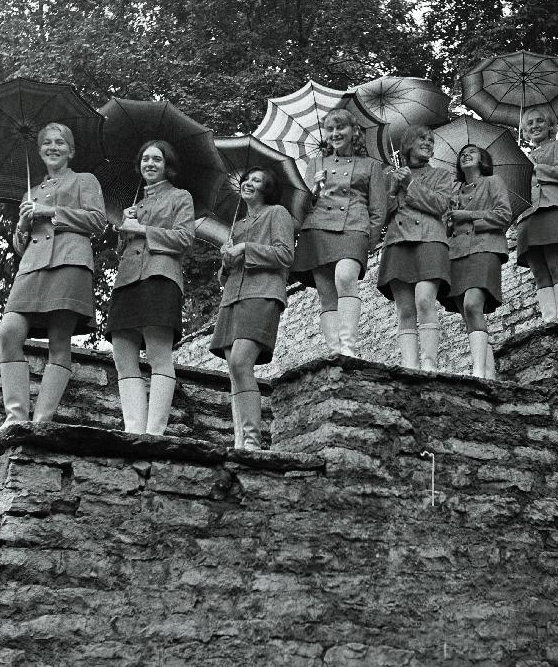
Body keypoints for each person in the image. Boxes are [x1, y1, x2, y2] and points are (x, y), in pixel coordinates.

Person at [0, 122, 107, 428]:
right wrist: (21, 226)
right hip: (31, 268)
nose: (53, 147)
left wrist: (49, 212)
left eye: (60, 142)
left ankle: (42, 420)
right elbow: (22, 246)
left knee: (60, 341)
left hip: (70, 262)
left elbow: (98, 221)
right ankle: (15, 418)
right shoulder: (30, 192)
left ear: (70, 151)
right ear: (40, 149)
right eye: (47, 142)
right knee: (9, 331)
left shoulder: (85, 180)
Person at [104, 140, 195, 435]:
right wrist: (125, 226)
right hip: (127, 279)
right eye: (145, 159)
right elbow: (124, 249)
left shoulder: (181, 197)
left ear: (168, 165)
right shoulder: (135, 204)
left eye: (156, 159)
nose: (150, 164)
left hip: (160, 277)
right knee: (122, 353)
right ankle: (133, 429)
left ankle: (154, 432)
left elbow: (184, 239)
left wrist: (142, 229)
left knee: (157, 354)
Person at [209, 167, 294, 450]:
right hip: (233, 296)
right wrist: (226, 259)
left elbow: (284, 254)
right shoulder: (237, 224)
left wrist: (246, 248)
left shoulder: (277, 213)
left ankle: (252, 440)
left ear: (267, 188)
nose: (248, 183)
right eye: (247, 179)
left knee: (240, 362)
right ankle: (240, 441)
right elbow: (225, 276)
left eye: (257, 180)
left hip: (263, 293)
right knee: (235, 371)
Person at [291, 108, 386, 356]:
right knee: (326, 295)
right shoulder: (316, 164)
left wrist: (370, 239)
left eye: (340, 127)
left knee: (345, 278)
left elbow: (378, 208)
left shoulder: (371, 166)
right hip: (317, 230)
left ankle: (348, 347)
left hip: (354, 227)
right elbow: (300, 207)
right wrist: (314, 187)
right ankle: (334, 351)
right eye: (330, 129)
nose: (335, 133)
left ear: (354, 131)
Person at [377, 125, 453, 372]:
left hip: (430, 240)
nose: (428, 143)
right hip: (398, 242)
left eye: (431, 140)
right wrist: (391, 189)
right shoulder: (390, 175)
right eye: (422, 138)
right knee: (405, 309)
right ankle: (410, 366)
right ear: (408, 143)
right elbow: (380, 216)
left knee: (424, 301)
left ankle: (430, 364)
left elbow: (440, 205)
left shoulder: (442, 175)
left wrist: (410, 185)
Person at [441, 144, 511, 378]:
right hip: (455, 253)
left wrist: (468, 216)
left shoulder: (493, 182)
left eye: (471, 151)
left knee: (473, 304)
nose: (465, 155)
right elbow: (446, 228)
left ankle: (478, 370)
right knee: (468, 314)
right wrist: (449, 221)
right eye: (462, 154)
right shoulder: (454, 190)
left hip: (485, 248)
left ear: (483, 159)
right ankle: (489, 373)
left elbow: (503, 215)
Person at [515, 106, 558, 323]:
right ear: (524, 132)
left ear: (550, 125)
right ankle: (550, 319)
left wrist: (536, 169)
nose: (534, 126)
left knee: (556, 264)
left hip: (552, 209)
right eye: (529, 124)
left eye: (539, 121)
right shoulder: (522, 158)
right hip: (527, 216)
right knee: (539, 272)